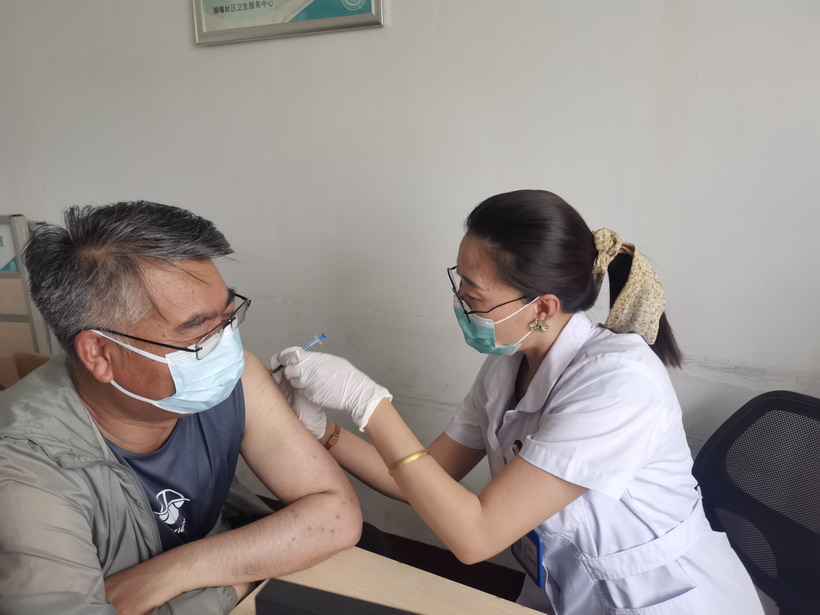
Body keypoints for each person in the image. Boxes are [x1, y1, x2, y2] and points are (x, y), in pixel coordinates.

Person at [273, 190, 764, 614]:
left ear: (542, 308)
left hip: (666, 599)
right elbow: (424, 478)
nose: (461, 301)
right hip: (565, 589)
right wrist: (323, 433)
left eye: (474, 292)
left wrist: (368, 402)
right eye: (459, 281)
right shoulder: (507, 366)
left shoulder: (619, 384)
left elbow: (475, 536)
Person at [0, 201, 362, 615]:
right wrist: (243, 577)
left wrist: (171, 573)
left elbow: (335, 512)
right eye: (198, 334)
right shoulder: (25, 473)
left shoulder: (232, 378)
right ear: (100, 353)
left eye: (228, 318)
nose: (227, 347)